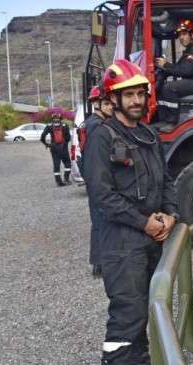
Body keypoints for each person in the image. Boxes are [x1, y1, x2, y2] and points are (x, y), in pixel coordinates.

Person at [85, 59, 179, 365]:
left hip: (148, 236)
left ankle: (139, 362)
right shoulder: (102, 137)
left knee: (145, 305)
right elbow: (102, 196)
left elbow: (167, 179)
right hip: (121, 242)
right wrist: (144, 223)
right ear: (114, 98)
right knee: (127, 312)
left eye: (141, 93)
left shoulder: (149, 134)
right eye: (129, 95)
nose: (137, 100)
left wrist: (169, 214)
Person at [153, 18, 193, 132]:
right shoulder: (189, 50)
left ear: (192, 34)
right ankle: (164, 118)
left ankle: (172, 122)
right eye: (180, 35)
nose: (181, 37)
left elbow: (185, 71)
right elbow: (179, 68)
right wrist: (163, 69)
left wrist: (166, 65)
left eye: (184, 34)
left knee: (169, 88)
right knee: (162, 87)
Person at [80, 85, 114, 278]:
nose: (111, 107)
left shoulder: (90, 123)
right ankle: (100, 264)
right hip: (97, 180)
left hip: (92, 178)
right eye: (107, 103)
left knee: (99, 220)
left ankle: (100, 262)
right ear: (96, 104)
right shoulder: (97, 126)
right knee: (101, 220)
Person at [41, 112, 72, 187]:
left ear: (52, 119)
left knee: (56, 165)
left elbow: (42, 137)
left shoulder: (49, 126)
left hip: (53, 148)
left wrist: (47, 144)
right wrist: (65, 144)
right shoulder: (65, 126)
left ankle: (59, 181)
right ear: (60, 119)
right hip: (63, 148)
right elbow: (68, 138)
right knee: (67, 163)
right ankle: (66, 179)